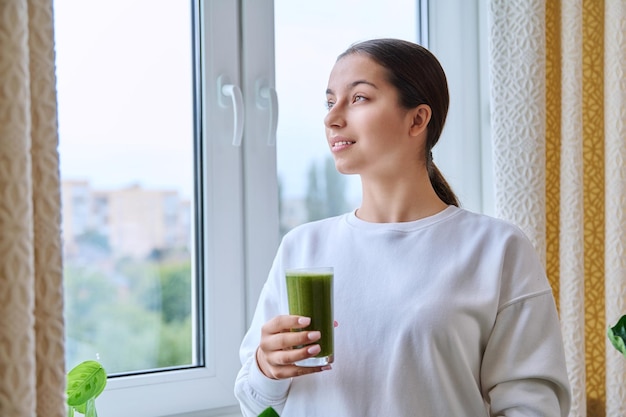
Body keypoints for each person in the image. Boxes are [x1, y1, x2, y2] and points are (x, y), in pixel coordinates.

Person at [234, 38, 571, 416]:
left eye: (358, 98)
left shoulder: (496, 249)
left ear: (417, 119)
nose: (332, 117)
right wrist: (267, 367)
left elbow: (533, 406)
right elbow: (254, 402)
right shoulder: (302, 248)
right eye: (330, 102)